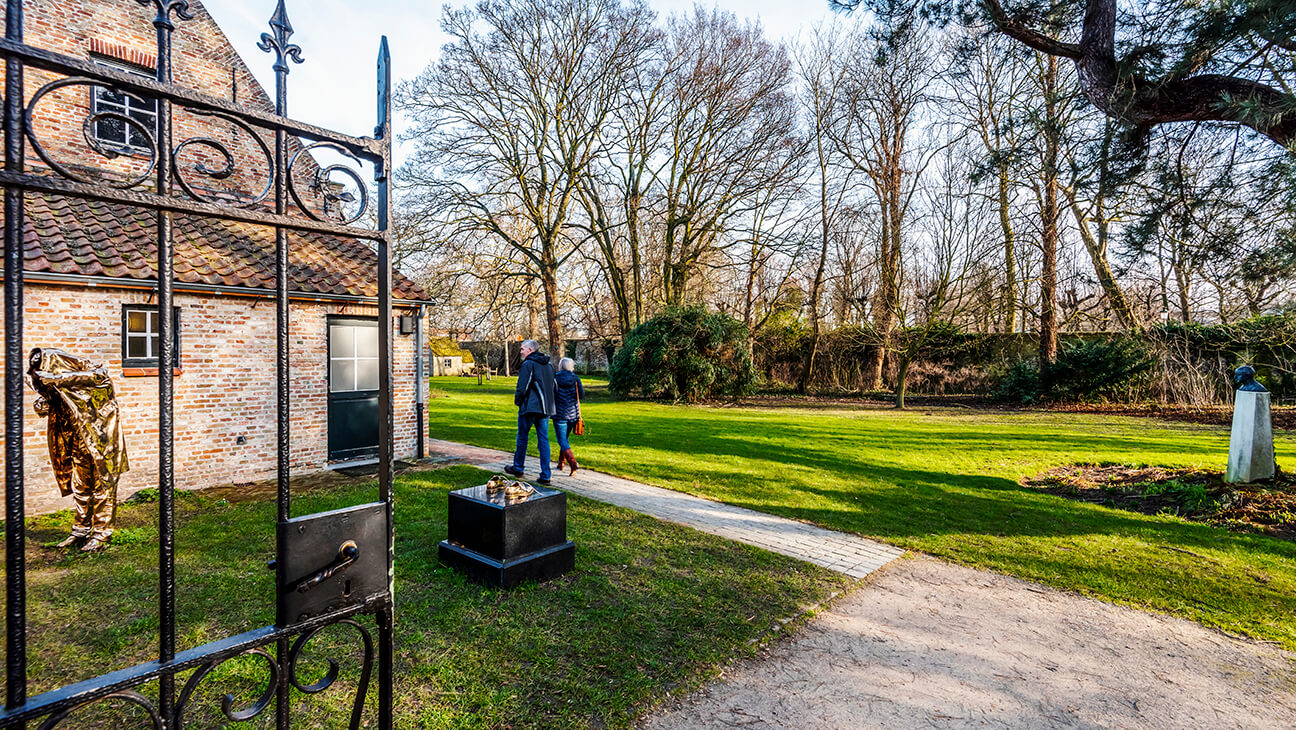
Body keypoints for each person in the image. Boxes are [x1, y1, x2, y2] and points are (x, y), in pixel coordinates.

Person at [28, 348, 129, 552]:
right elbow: (50, 408)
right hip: (75, 441)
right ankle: (80, 530)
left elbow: (100, 376)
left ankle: (102, 534)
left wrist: (57, 379)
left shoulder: (93, 377)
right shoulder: (61, 388)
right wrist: (42, 405)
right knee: (81, 488)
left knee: (103, 488)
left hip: (101, 442)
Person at [505, 340, 556, 484]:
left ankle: (518, 467)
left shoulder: (528, 364)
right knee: (543, 440)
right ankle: (546, 475)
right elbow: (554, 386)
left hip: (530, 407)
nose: (520, 351)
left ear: (530, 350)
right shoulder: (549, 365)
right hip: (545, 408)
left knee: (522, 437)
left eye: (522, 349)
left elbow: (522, 387)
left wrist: (518, 401)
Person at [552, 357, 585, 476]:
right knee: (564, 439)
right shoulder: (575, 378)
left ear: (561, 366)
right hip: (572, 414)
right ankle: (561, 463)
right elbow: (581, 395)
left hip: (559, 414)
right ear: (571, 367)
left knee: (562, 440)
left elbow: (551, 394)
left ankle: (572, 462)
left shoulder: (555, 378)